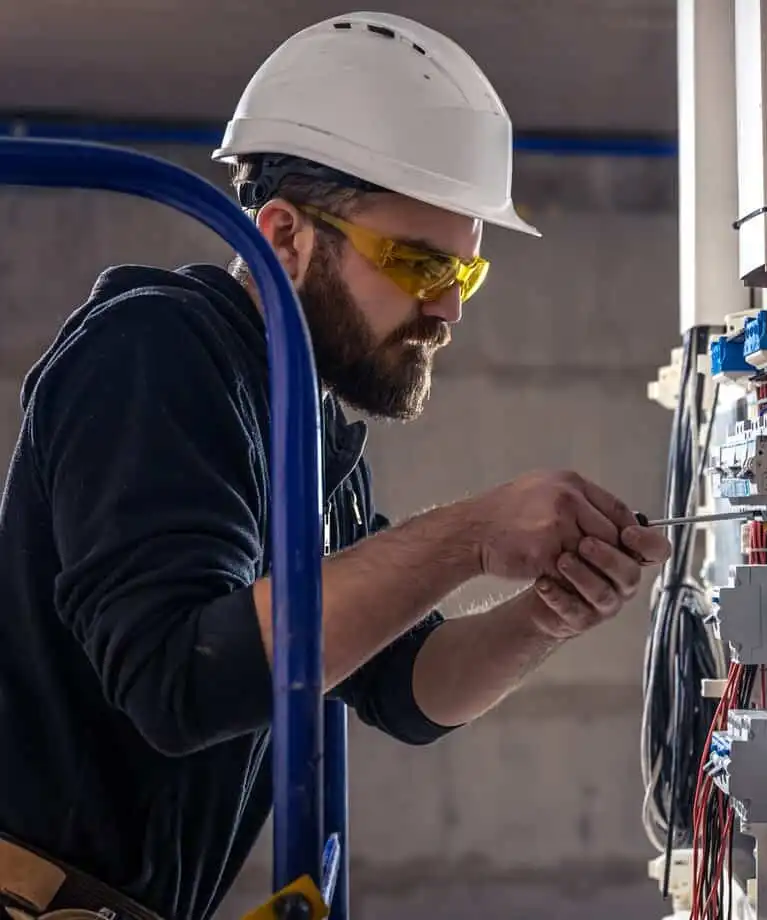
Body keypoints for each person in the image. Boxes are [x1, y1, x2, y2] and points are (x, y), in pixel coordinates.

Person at [0, 11, 671, 920]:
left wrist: (549, 610)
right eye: (420, 262)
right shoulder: (153, 354)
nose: (447, 310)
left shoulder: (304, 422)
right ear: (283, 237)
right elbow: (181, 679)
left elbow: (406, 687)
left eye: (464, 275)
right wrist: (472, 533)